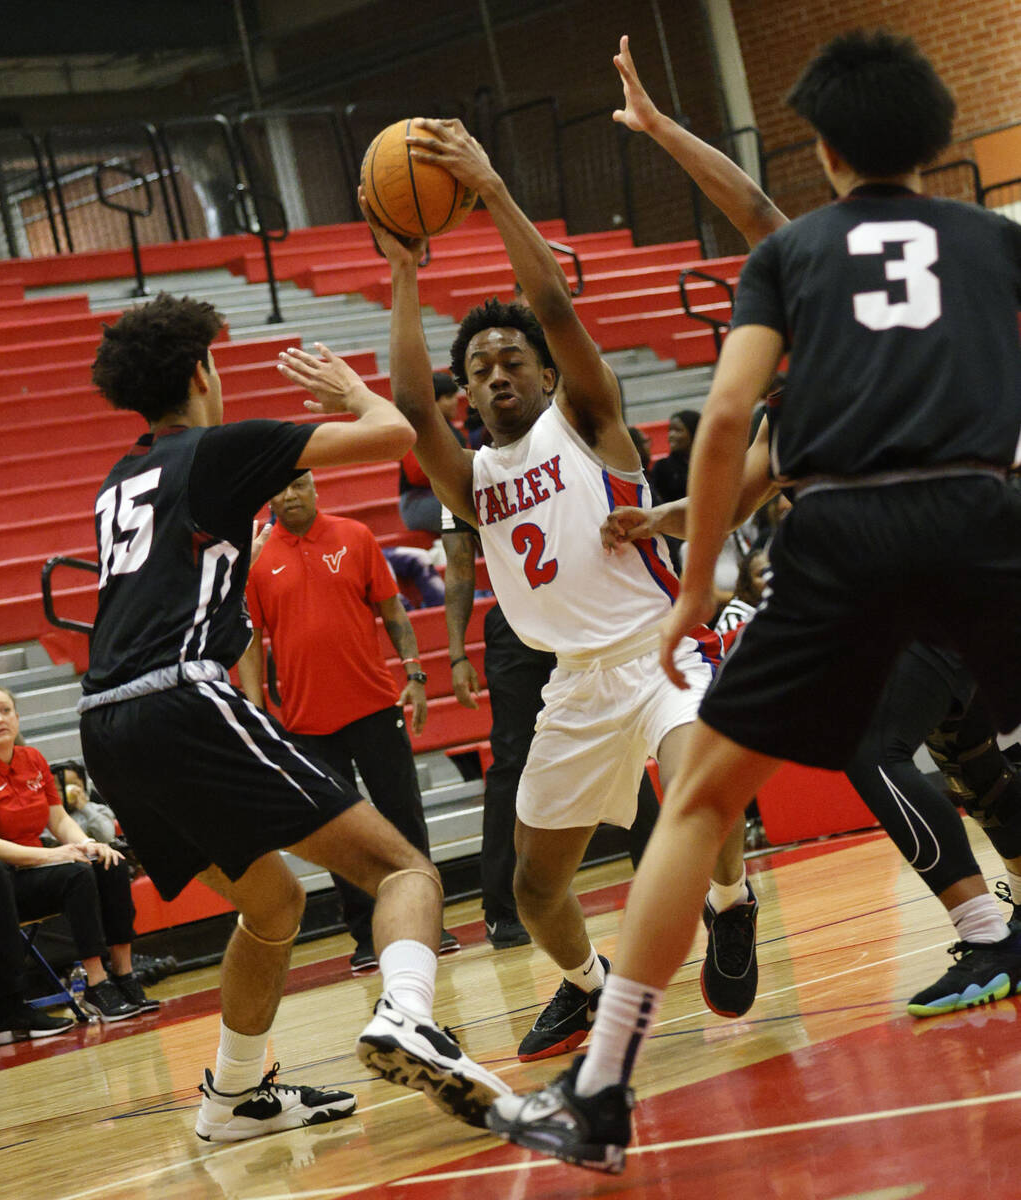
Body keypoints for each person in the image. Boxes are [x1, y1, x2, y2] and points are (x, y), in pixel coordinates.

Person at [487, 30, 1021, 1171]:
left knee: (697, 806)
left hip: (842, 533)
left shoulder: (799, 259)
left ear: (821, 151)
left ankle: (602, 1093)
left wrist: (694, 587)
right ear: (938, 138)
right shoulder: (993, 241)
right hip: (984, 512)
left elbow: (727, 422)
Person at [362, 113, 757, 1068]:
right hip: (573, 682)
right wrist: (405, 270)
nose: (494, 375)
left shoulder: (586, 420)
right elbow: (412, 408)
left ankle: (730, 903)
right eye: (479, 370)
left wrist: (492, 191)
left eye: (512, 361)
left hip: (662, 646)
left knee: (700, 781)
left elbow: (557, 306)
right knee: (532, 890)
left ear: (547, 374)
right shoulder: (472, 480)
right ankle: (584, 989)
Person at [77, 293, 509, 1143]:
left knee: (271, 902)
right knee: (404, 871)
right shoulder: (218, 449)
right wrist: (355, 392)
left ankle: (234, 1097)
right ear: (203, 372)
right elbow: (395, 437)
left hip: (104, 725)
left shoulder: (119, 478)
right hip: (174, 694)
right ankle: (410, 1017)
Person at [238, 470, 459, 973]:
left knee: (403, 818)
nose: (289, 494)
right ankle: (365, 936)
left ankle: (426, 925)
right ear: (268, 494)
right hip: (304, 722)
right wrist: (255, 710)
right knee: (337, 834)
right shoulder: (255, 558)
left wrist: (415, 672)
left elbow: (393, 612)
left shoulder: (355, 536)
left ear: (316, 487)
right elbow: (251, 641)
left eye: (299, 485)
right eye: (281, 486)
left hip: (376, 708)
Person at [442, 513, 661, 952]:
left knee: (620, 742)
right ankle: (502, 911)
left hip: (580, 616)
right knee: (511, 760)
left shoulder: (562, 449)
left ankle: (662, 881)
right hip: (518, 625)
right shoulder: (467, 472)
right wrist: (455, 653)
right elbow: (460, 565)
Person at [0, 687, 154, 1037]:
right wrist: (56, 854)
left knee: (110, 861)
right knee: (76, 873)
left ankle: (123, 975)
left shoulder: (32, 759)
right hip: (4, 881)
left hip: (39, 868)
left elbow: (59, 821)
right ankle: (96, 983)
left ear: (17, 716)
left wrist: (90, 844)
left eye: (5, 710)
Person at [398, 371, 468, 533]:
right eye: (449, 397)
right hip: (418, 502)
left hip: (443, 497)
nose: (456, 401)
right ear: (433, 402)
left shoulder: (452, 430)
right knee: (466, 510)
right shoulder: (417, 429)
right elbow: (417, 473)